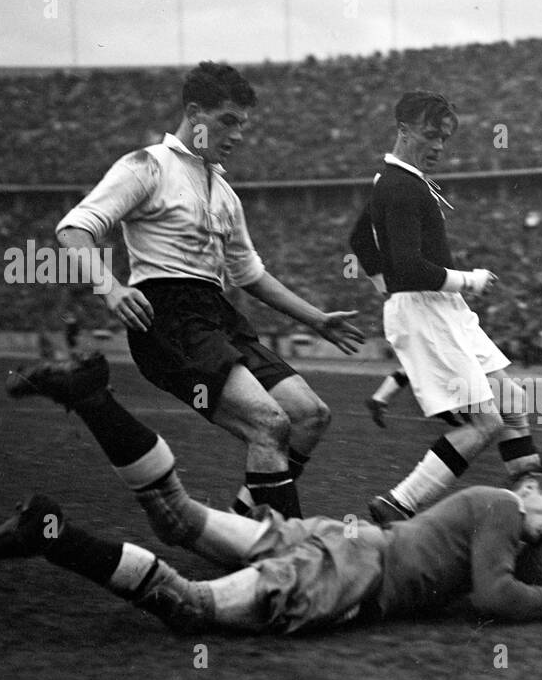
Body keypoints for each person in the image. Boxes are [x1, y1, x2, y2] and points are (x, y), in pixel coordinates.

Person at [0, 353, 542, 634]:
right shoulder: (499, 508)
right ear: (523, 488)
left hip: (337, 539)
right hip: (352, 572)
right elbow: (496, 593)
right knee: (185, 606)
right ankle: (50, 532)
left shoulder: (507, 515)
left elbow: (533, 540)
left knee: (178, 518)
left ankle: (93, 398)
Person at [54, 61, 364, 520]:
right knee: (269, 423)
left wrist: (315, 318)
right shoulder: (147, 166)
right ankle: (286, 558)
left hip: (217, 316)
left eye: (243, 124)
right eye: (228, 121)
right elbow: (73, 230)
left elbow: (250, 274)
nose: (238, 135)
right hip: (168, 319)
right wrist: (111, 288)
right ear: (195, 113)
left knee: (309, 415)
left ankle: (242, 527)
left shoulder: (225, 192)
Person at [347, 90, 542, 530]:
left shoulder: (397, 180)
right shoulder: (402, 186)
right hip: (428, 309)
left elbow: (360, 241)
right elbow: (407, 264)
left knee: (513, 404)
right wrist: (467, 279)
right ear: (404, 130)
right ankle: (398, 504)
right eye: (430, 135)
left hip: (437, 308)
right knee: (485, 422)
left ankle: (534, 506)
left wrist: (386, 287)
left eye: (444, 138)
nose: (439, 147)